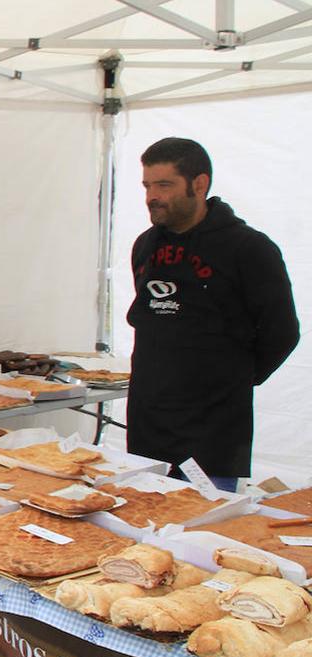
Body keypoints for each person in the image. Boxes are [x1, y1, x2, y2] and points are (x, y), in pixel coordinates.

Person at [128, 137, 300, 491]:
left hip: (213, 430)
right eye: (147, 185)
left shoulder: (249, 249)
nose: (152, 196)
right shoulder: (146, 245)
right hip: (149, 425)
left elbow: (282, 333)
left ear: (199, 184)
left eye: (164, 184)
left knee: (204, 534)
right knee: (145, 527)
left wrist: (231, 379)